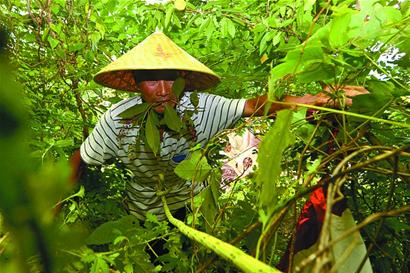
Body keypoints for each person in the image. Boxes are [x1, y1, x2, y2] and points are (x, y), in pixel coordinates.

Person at [70, 31, 368, 223]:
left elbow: (254, 105)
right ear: (136, 84)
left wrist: (311, 100)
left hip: (192, 205)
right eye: (151, 79)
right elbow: (80, 158)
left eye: (170, 78)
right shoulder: (118, 120)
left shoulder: (199, 107)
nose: (163, 90)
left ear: (182, 80)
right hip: (143, 212)